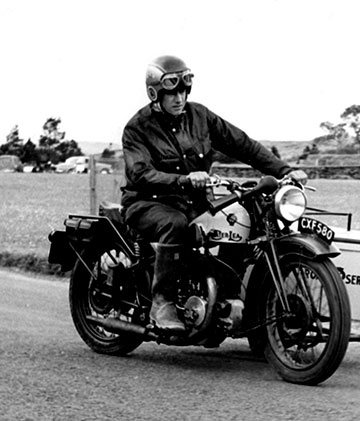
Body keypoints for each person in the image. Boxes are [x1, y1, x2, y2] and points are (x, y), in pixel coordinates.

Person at [121, 55, 308, 332]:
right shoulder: (138, 128)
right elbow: (140, 174)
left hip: (192, 202)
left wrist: (283, 171)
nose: (179, 98)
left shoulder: (200, 116)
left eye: (183, 91)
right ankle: (163, 303)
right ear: (155, 94)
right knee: (176, 225)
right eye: (171, 93)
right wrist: (183, 179)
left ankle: (227, 297)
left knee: (239, 219)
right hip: (147, 202)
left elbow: (242, 144)